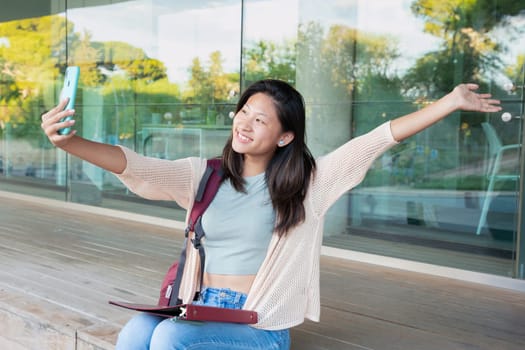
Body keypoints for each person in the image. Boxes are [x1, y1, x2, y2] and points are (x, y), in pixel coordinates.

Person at [41, 79, 501, 349]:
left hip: (257, 324)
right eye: (244, 111)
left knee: (169, 340)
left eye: (261, 119)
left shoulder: (307, 185)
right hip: (200, 309)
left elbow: (375, 141)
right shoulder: (203, 176)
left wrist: (449, 103)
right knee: (138, 329)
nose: (245, 122)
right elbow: (134, 164)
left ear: (284, 136)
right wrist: (67, 143)